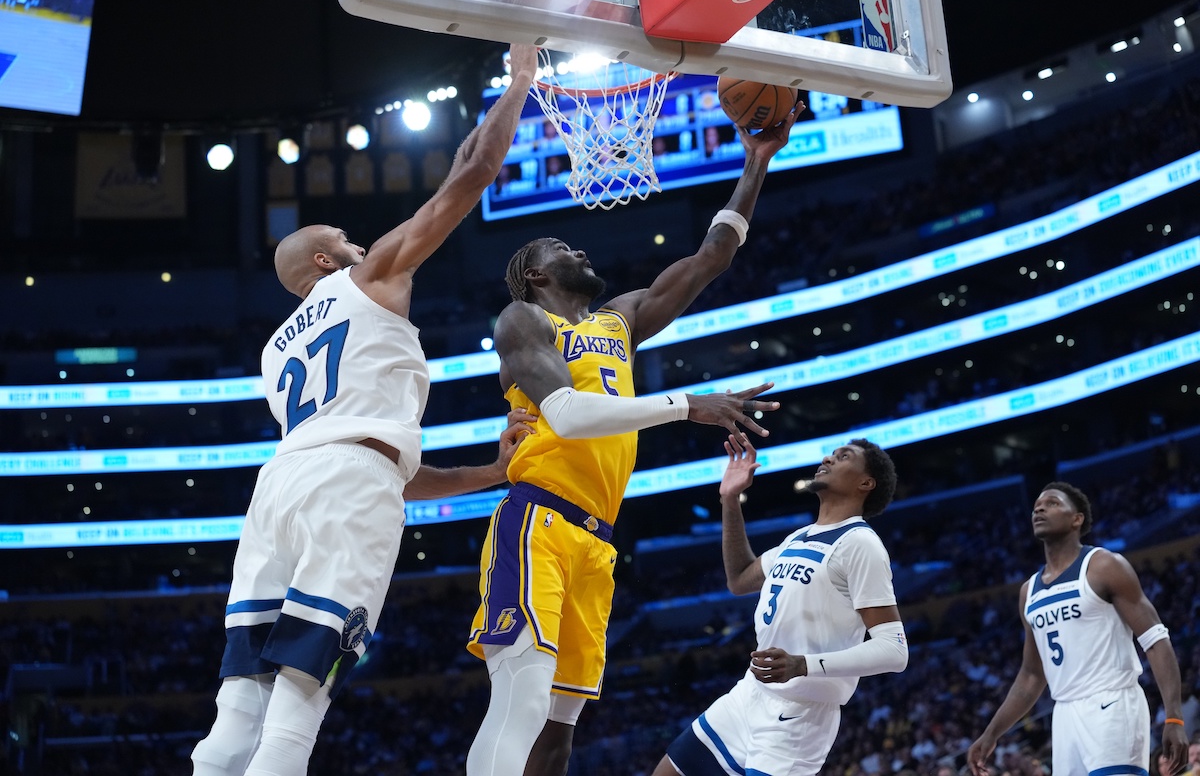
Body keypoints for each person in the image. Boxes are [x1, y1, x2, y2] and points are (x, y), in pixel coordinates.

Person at [189, 45, 541, 776]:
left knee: (239, 701)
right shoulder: (370, 276)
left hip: (281, 486)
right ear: (324, 261)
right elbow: (471, 172)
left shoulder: (271, 355)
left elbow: (386, 465)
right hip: (347, 486)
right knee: (299, 698)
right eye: (343, 240)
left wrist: (489, 472)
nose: (359, 243)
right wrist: (520, 82)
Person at [464, 103, 803, 776]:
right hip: (537, 521)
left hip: (597, 541)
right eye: (563, 250)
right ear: (535, 274)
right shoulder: (523, 320)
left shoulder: (620, 319)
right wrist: (686, 406)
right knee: (521, 703)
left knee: (560, 733)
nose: (580, 251)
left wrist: (756, 161)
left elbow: (712, 257)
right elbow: (566, 415)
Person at [652, 434, 907, 776]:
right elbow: (740, 579)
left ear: (866, 483)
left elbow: (894, 651)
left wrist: (803, 664)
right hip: (749, 695)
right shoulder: (798, 537)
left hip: (799, 717)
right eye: (830, 454)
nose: (828, 459)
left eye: (843, 456)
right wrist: (730, 500)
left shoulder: (860, 544)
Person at [966, 481, 1189, 776]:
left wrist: (1174, 717)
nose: (1040, 509)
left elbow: (1156, 640)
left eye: (1052, 503)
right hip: (1065, 714)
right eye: (1036, 506)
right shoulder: (1028, 592)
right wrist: (992, 732)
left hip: (1111, 701)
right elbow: (1032, 674)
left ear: (1077, 518)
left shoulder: (1104, 566)